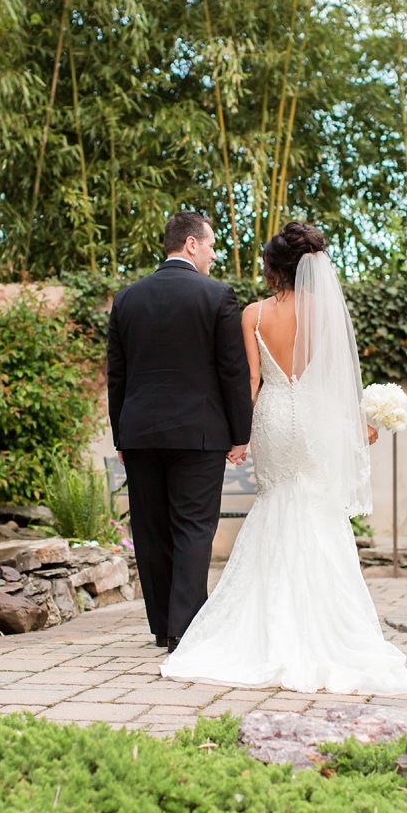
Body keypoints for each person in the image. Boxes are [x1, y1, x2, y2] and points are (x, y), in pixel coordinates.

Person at [162, 222, 407, 694]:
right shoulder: (328, 313)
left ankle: (266, 622)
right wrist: (357, 428)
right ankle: (325, 624)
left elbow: (250, 385)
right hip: (317, 419)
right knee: (316, 505)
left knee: (277, 501)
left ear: (273, 268)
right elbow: (337, 382)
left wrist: (239, 439)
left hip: (274, 419)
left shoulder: (253, 314)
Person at [106, 211, 253, 651]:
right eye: (210, 245)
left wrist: (121, 437)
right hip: (199, 435)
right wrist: (240, 433)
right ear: (191, 244)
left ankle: (162, 627)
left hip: (141, 434)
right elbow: (232, 371)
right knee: (192, 527)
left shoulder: (127, 299)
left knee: (151, 530)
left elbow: (118, 375)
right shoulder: (217, 296)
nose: (213, 254)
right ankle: (185, 631)